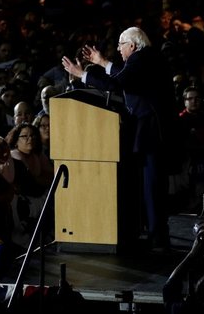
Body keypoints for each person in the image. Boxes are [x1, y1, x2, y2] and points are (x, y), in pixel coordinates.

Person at [62, 26, 175, 251]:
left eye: (121, 45)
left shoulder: (143, 58)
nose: (119, 49)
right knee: (150, 185)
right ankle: (154, 233)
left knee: (153, 186)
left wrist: (97, 65)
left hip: (152, 131)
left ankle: (158, 237)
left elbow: (121, 81)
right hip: (147, 131)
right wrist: (89, 71)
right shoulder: (141, 62)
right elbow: (118, 82)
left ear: (132, 45)